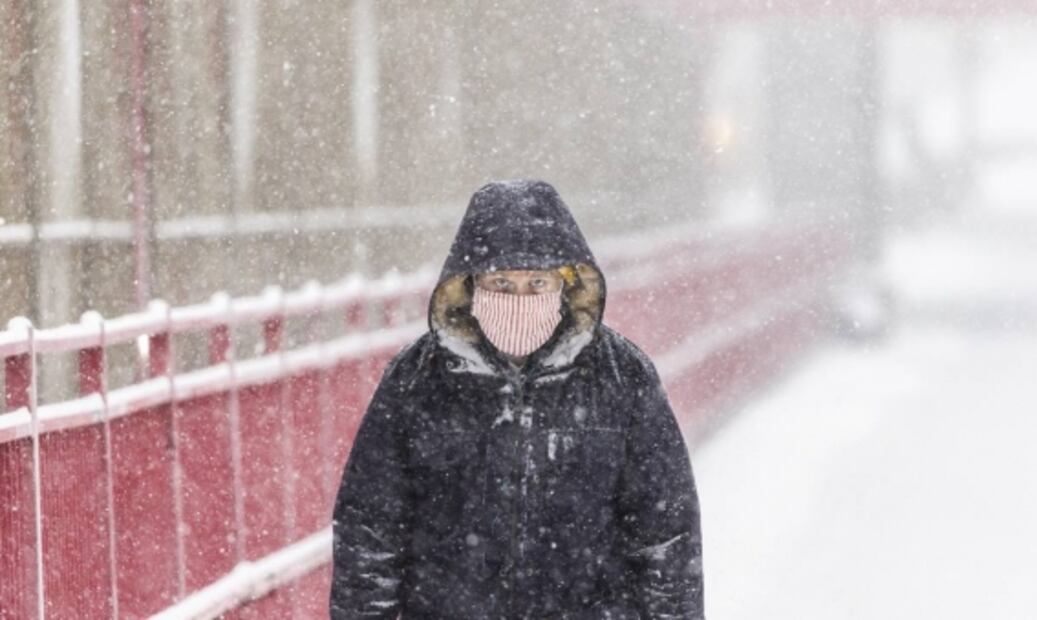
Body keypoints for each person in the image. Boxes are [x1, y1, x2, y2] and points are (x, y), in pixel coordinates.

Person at [330, 180, 704, 619]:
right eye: (501, 282)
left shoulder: (622, 375)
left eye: (537, 282)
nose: (519, 299)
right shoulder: (417, 379)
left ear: (566, 284)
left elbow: (666, 535)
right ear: (470, 285)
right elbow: (370, 532)